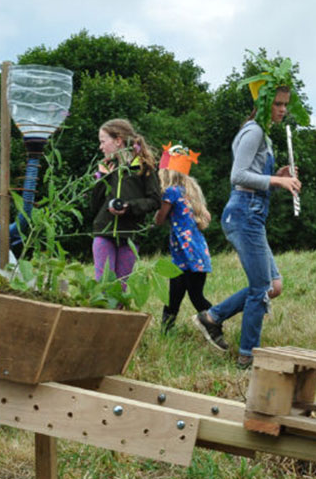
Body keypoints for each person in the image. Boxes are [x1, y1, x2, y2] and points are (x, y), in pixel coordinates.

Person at [192, 58, 303, 369]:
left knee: (273, 286)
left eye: (285, 104)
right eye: (278, 104)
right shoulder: (253, 131)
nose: (282, 109)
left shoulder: (264, 135)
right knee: (260, 289)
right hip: (242, 213)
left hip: (254, 214)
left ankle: (211, 317)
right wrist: (278, 180)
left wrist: (278, 175)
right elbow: (238, 175)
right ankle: (247, 357)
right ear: (265, 102)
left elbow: (255, 174)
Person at [90, 119, 161, 286]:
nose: (101, 147)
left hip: (129, 236)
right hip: (104, 234)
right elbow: (94, 206)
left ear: (118, 140)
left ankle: (116, 312)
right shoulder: (108, 168)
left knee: (121, 287)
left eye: (103, 141)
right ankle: (101, 312)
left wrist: (129, 207)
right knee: (103, 285)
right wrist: (102, 178)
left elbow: (155, 201)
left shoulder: (144, 168)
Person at [154, 145, 213, 333]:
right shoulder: (190, 193)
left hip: (186, 254)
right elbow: (207, 218)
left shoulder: (170, 192)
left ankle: (215, 321)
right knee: (181, 295)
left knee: (188, 296)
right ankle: (166, 331)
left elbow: (160, 219)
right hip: (194, 252)